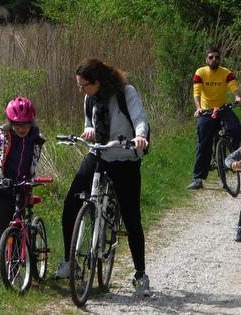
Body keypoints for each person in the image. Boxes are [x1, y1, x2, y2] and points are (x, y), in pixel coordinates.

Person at [55, 58, 151, 297]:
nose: (81, 90)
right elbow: (89, 122)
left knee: (131, 216)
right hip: (99, 153)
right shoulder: (90, 98)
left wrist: (140, 136)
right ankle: (70, 262)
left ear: (98, 81)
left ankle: (140, 274)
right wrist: (88, 130)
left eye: (84, 85)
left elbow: (140, 119)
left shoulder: (125, 92)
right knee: (71, 203)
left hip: (125, 156)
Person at [0, 97, 44, 277]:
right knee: (2, 231)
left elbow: (32, 163)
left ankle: (13, 270)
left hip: (20, 187)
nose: (21, 128)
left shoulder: (35, 140)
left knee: (18, 227)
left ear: (32, 122)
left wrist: (31, 179)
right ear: (10, 122)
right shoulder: (2, 139)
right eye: (17, 124)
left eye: (26, 124)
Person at [186, 46, 241, 189]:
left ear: (220, 59)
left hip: (223, 109)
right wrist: (198, 108)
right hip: (206, 111)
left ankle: (239, 163)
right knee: (203, 144)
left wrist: (237, 97)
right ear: (206, 59)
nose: (214, 60)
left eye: (217, 57)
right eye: (211, 57)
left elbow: (233, 86)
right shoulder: (200, 72)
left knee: (236, 130)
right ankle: (198, 178)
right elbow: (197, 92)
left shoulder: (226, 73)